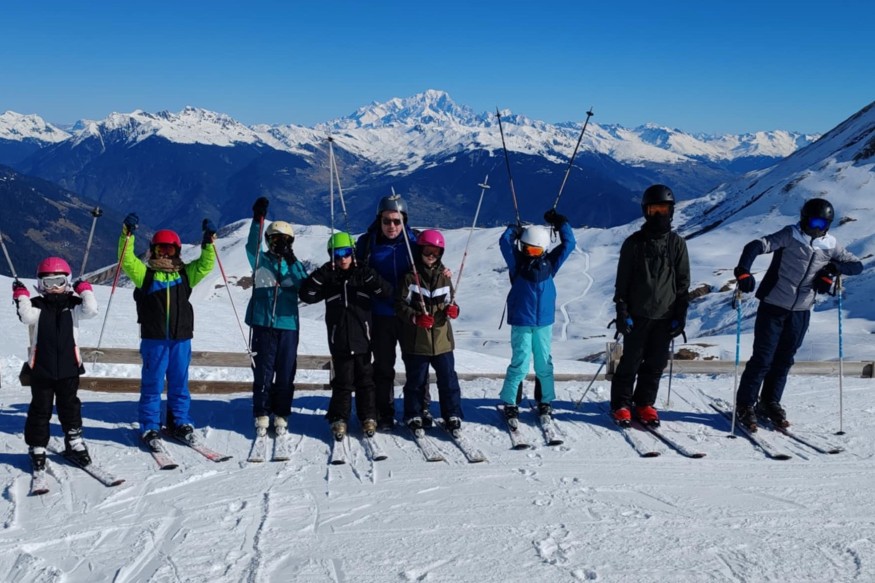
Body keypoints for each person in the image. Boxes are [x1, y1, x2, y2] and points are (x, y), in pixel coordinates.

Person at [732, 197, 862, 431]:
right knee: (763, 358)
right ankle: (745, 404)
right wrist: (743, 271)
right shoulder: (790, 235)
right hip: (773, 305)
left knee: (784, 359)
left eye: (823, 224)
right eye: (813, 222)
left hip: (801, 311)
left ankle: (770, 402)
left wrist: (833, 268)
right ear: (804, 219)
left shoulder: (830, 245)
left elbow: (856, 265)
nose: (817, 228)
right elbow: (755, 246)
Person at [119, 213, 216, 444]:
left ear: (177, 252)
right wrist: (127, 235)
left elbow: (206, 265)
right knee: (152, 384)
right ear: (153, 250)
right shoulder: (146, 275)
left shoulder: (186, 274)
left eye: (169, 250)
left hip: (181, 339)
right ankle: (150, 426)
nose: (164, 254)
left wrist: (208, 242)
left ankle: (179, 422)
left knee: (179, 384)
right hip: (154, 340)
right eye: (160, 249)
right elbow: (127, 260)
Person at [610, 184, 690, 428]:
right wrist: (622, 311)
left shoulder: (676, 244)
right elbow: (622, 282)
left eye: (663, 209)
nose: (658, 214)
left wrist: (680, 315)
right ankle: (621, 404)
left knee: (655, 364)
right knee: (630, 362)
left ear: (671, 211)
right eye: (654, 209)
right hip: (638, 315)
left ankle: (644, 403)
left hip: (665, 317)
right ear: (646, 211)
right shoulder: (634, 244)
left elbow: (683, 283)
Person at [300, 232, 392, 439]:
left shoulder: (363, 276)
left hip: (363, 340)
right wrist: (321, 274)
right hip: (339, 340)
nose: (343, 258)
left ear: (353, 253)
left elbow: (385, 293)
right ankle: (339, 418)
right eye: (337, 254)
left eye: (347, 253)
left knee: (365, 380)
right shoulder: (330, 280)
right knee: (342, 381)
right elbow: (307, 295)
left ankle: (368, 416)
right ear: (331, 256)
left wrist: (370, 276)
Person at [14, 258, 98, 470]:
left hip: (69, 368)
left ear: (67, 281)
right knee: (40, 409)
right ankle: (37, 446)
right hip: (42, 369)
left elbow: (91, 310)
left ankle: (74, 441)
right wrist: (21, 296)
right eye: (47, 283)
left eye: (58, 282)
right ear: (40, 284)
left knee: (70, 407)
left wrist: (84, 290)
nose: (53, 287)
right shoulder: (37, 305)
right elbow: (25, 317)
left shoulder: (73, 305)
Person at [498, 209, 575, 421]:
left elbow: (569, 244)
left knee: (543, 363)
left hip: (543, 323)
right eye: (526, 249)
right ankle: (511, 402)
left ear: (543, 249)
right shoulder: (517, 263)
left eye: (534, 250)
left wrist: (561, 223)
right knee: (520, 362)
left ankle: (545, 401)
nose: (529, 253)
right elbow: (504, 242)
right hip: (522, 321)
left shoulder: (550, 264)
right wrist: (514, 230)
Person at [355, 194, 422, 431]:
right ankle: (384, 412)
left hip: (409, 313)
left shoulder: (414, 243)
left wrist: (444, 272)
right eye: (386, 221)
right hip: (380, 314)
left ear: (404, 220)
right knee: (383, 366)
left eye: (396, 221)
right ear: (379, 220)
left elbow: (431, 263)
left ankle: (418, 409)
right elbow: (357, 272)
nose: (391, 226)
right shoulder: (368, 244)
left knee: (415, 363)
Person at [245, 197, 308, 438]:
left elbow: (304, 285)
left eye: (284, 241)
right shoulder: (260, 260)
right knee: (263, 370)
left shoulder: (293, 265)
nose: (279, 245)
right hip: (263, 323)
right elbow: (251, 246)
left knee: (285, 371)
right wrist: (257, 220)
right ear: (268, 241)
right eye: (274, 240)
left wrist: (291, 259)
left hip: (288, 324)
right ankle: (261, 411)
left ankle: (281, 412)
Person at [395, 229, 465, 432]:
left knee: (448, 379)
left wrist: (454, 310)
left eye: (436, 252)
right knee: (416, 380)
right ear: (420, 251)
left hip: (442, 339)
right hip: (417, 340)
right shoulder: (410, 277)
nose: (431, 256)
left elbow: (450, 301)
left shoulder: (444, 277)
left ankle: (452, 413)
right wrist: (415, 317)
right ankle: (413, 413)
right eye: (427, 251)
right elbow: (400, 304)